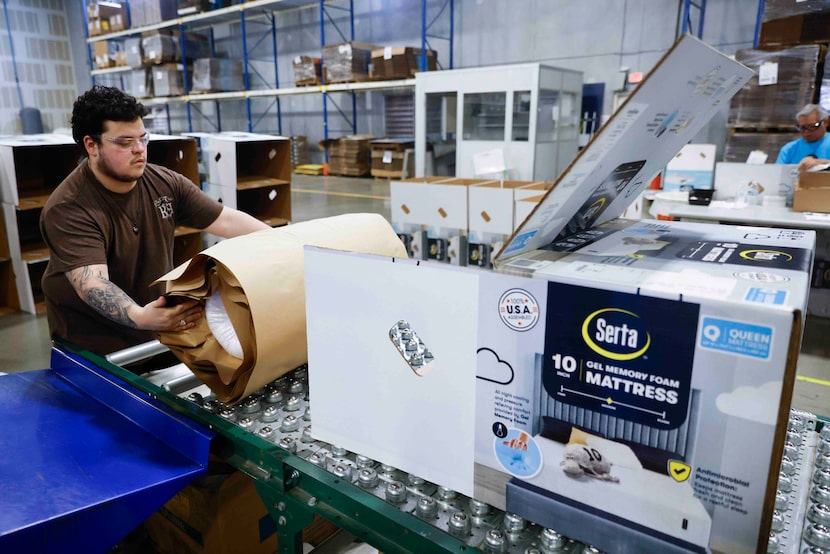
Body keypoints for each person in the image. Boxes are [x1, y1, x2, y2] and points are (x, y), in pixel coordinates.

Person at [40, 85, 271, 359]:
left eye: (143, 138)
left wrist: (289, 242)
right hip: (94, 344)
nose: (139, 150)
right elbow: (93, 284)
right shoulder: (70, 207)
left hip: (153, 326)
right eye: (124, 142)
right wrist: (140, 316)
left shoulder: (163, 182)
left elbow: (226, 220)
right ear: (92, 145)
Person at [776, 103, 830, 170]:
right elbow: (777, 175)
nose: (806, 132)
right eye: (802, 128)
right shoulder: (789, 149)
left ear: (825, 122)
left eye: (812, 126)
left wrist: (820, 163)